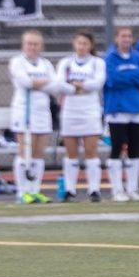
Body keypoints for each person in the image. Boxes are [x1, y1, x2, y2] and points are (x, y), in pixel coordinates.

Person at [54, 32, 106, 202]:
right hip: (70, 111)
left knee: (91, 151)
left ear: (90, 45)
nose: (82, 46)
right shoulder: (66, 63)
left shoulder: (97, 62)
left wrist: (76, 86)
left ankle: (94, 190)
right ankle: (70, 189)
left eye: (85, 43)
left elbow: (97, 83)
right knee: (71, 153)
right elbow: (60, 84)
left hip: (90, 111)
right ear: (74, 44)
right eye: (79, 43)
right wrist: (79, 88)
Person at [8, 30, 58, 204]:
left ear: (41, 46)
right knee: (24, 151)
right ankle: (22, 192)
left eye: (36, 44)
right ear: (23, 45)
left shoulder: (46, 64)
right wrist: (43, 82)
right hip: (24, 111)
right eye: (29, 43)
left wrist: (39, 83)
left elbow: (55, 85)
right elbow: (25, 82)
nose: (32, 47)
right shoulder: (17, 62)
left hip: (42, 111)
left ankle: (34, 190)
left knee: (38, 153)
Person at [103, 27, 139, 202]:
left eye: (129, 36)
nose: (126, 39)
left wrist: (126, 75)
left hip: (137, 108)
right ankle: (117, 190)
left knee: (135, 149)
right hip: (117, 109)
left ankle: (132, 189)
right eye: (123, 36)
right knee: (117, 147)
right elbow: (112, 80)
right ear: (116, 38)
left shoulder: (138, 57)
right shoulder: (109, 57)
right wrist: (134, 76)